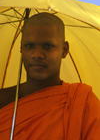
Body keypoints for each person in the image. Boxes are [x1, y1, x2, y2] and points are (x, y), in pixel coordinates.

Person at [0, 12, 100, 140]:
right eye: (29, 46)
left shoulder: (82, 103)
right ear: (21, 48)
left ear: (64, 50)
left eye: (48, 46)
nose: (36, 54)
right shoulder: (3, 100)